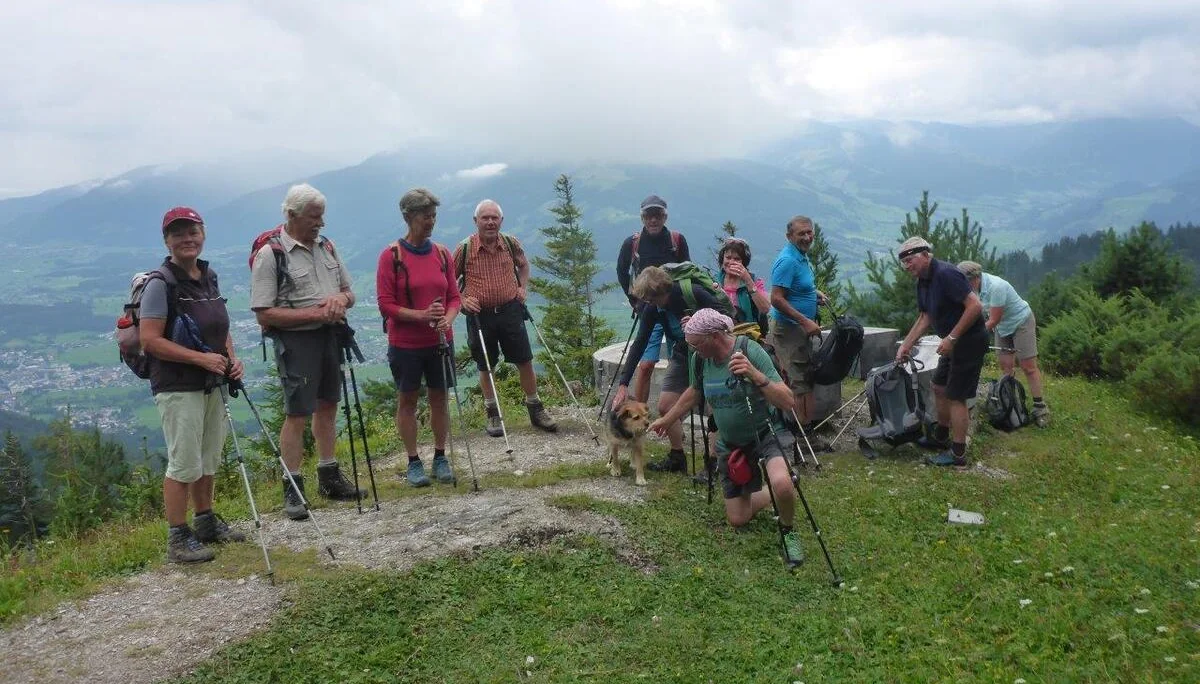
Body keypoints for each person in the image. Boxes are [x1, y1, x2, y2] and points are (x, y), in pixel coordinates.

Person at [648, 309, 804, 567]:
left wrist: (756, 376)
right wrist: (667, 419)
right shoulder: (701, 360)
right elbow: (693, 392)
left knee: (781, 483)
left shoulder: (750, 351)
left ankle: (788, 531)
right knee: (738, 518)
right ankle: (780, 488)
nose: (694, 350)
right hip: (731, 444)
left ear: (714, 337)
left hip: (766, 433)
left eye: (696, 344)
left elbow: (787, 400)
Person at [140, 207, 246, 563]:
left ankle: (206, 523)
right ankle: (177, 538)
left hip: (211, 381)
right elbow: (150, 340)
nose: (187, 238)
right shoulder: (161, 284)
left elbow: (220, 327)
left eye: (193, 231)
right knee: (184, 462)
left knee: (208, 457)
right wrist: (201, 359)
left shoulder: (208, 275)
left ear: (203, 234)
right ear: (167, 240)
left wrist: (231, 358)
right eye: (179, 233)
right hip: (177, 385)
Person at [250, 183, 362, 520]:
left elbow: (348, 292)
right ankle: (293, 488)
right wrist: (315, 313)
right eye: (314, 217)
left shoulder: (327, 246)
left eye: (321, 217)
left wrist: (339, 301)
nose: (320, 223)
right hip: (297, 342)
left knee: (328, 405)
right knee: (297, 413)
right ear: (291, 215)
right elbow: (264, 312)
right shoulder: (271, 255)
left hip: (330, 336)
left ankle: (329, 476)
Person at [376, 188, 461, 488]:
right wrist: (422, 316)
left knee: (440, 399)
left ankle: (440, 456)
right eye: (426, 216)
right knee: (407, 400)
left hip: (440, 341)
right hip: (405, 344)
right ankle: (413, 461)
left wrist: (447, 320)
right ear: (408, 217)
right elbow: (386, 304)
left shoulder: (442, 253)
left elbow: (454, 296)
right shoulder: (391, 256)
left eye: (434, 216)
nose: (431, 222)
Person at [454, 199, 557, 436]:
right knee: (486, 365)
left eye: (494, 218)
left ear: (501, 220)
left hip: (510, 310)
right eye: (485, 218)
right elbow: (448, 281)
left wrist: (522, 288)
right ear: (475, 221)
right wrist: (462, 300)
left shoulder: (510, 243)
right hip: (480, 316)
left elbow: (523, 265)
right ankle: (493, 414)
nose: (490, 222)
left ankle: (535, 408)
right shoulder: (465, 248)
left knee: (524, 359)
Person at [611, 266, 727, 473]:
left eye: (651, 299)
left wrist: (699, 323)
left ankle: (713, 463)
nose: (649, 303)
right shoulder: (653, 308)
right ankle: (677, 457)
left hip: (710, 353)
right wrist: (623, 383)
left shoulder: (691, 293)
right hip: (683, 354)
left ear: (662, 293)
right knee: (666, 406)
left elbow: (728, 317)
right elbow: (640, 343)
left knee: (714, 408)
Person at [894, 237, 989, 466]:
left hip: (968, 341)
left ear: (926, 255)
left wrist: (952, 337)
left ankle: (958, 454)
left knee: (957, 396)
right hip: (951, 341)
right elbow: (925, 316)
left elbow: (975, 306)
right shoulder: (923, 281)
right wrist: (906, 345)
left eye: (911, 260)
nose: (908, 266)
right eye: (904, 262)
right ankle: (941, 437)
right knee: (939, 386)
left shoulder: (946, 274)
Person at [615, 195, 691, 403]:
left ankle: (676, 411)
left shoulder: (676, 240)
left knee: (684, 359)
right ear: (643, 218)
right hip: (648, 310)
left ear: (664, 217)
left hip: (676, 311)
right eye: (649, 215)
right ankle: (641, 414)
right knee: (646, 364)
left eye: (657, 215)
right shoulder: (633, 243)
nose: (653, 220)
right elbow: (621, 271)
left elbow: (687, 272)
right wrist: (635, 300)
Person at [957, 261, 1050, 427]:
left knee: (1028, 366)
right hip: (1002, 326)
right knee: (1006, 367)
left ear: (975, 278)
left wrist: (968, 335)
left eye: (965, 282)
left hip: (1021, 321)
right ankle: (1011, 404)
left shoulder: (996, 287)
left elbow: (993, 320)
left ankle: (1040, 407)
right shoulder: (973, 289)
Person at [768, 216, 826, 426]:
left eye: (809, 232)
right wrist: (805, 321)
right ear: (789, 236)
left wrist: (813, 294)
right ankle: (801, 433)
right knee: (799, 381)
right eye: (801, 233)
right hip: (789, 330)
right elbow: (776, 298)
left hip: (799, 329)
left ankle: (807, 426)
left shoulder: (801, 255)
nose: (807, 237)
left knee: (806, 377)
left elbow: (795, 287)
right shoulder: (788, 260)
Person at [717, 237, 770, 332]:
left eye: (737, 259)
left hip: (749, 334)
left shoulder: (754, 281)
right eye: (728, 258)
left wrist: (748, 281)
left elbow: (765, 309)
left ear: (744, 262)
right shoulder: (714, 281)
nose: (731, 262)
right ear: (722, 259)